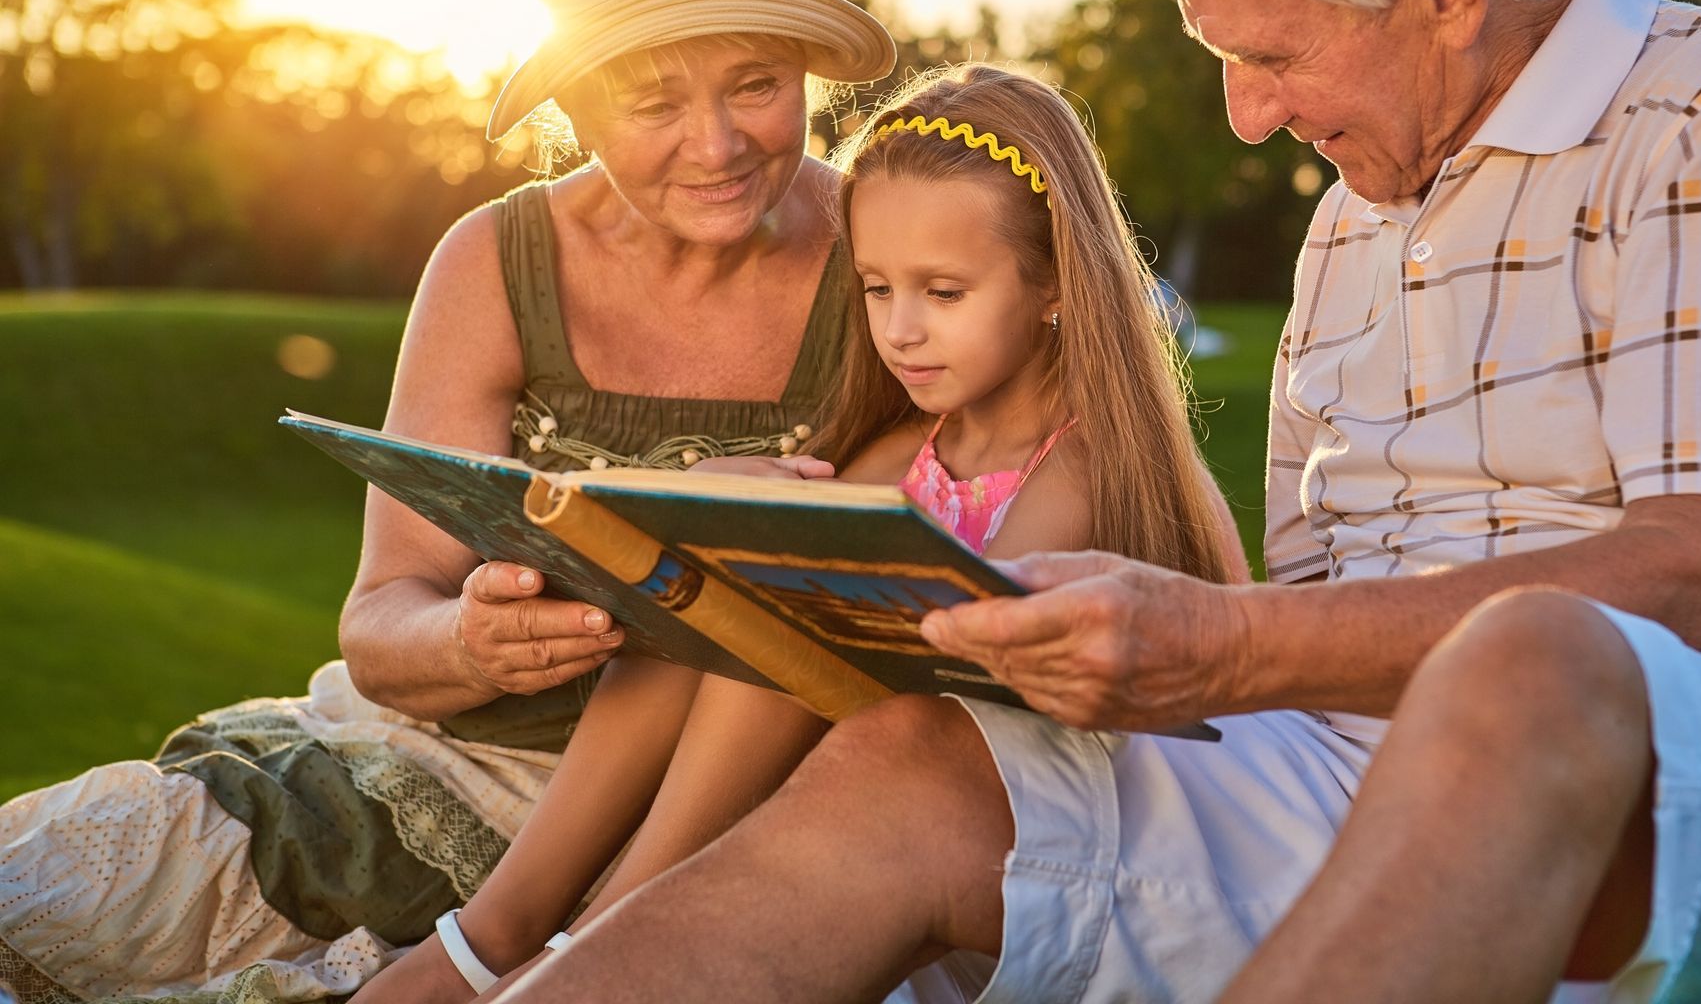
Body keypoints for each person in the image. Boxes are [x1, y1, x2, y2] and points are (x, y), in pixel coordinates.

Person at [491, 0, 1701, 1003]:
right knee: (921, 756)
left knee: (1530, 660)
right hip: (1351, 769)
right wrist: (1149, 659)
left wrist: (1222, 647)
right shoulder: (1357, 219)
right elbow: (1306, 625)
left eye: (1272, 54)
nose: (1246, 118)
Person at [0, 0, 897, 1003]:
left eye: (758, 85)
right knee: (46, 886)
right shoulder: (494, 259)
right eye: (653, 102)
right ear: (573, 102)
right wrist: (470, 643)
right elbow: (383, 622)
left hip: (721, 811)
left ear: (810, 73)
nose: (718, 144)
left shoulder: (888, 257)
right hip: (431, 759)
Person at [355, 62, 1250, 999]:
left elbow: (978, 713)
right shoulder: (909, 448)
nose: (900, 331)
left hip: (1034, 818)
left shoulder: (1083, 472)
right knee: (704, 590)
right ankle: (504, 929)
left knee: (787, 617)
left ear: (1056, 283)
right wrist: (698, 515)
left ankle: (598, 936)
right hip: (881, 784)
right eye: (874, 289)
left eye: (943, 294)